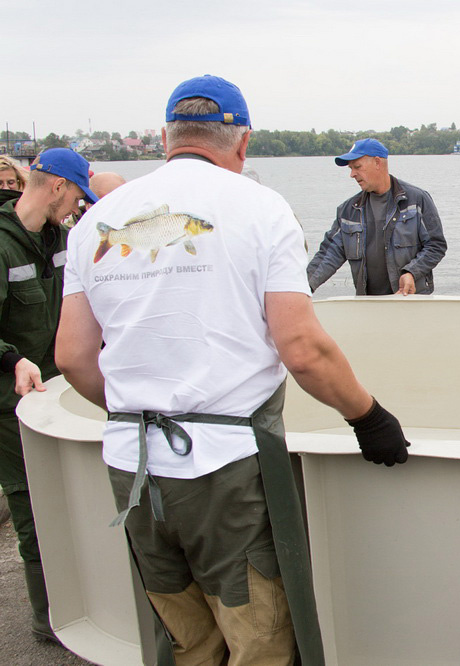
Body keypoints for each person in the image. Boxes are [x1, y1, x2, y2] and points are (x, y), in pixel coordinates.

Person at [55, 75, 410, 665]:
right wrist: (368, 416)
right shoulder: (259, 206)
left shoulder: (100, 217)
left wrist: (143, 410)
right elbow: (301, 347)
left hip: (130, 466)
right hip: (224, 470)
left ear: (166, 138)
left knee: (188, 637)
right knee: (258, 636)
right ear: (242, 142)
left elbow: (71, 357)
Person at [1, 148, 96, 642]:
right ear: (57, 185)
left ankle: (91, 595)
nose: (79, 205)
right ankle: (47, 615)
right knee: (32, 506)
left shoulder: (64, 237)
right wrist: (11, 358)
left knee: (77, 498)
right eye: (78, 194)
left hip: (60, 394)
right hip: (10, 404)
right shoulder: (1, 244)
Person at [307, 138, 446, 295]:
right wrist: (302, 288)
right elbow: (328, 255)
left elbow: (436, 245)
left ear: (378, 163)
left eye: (357, 167)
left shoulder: (417, 199)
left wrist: (411, 272)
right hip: (368, 306)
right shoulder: (348, 211)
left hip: (410, 301)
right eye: (351, 169)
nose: (352, 174)